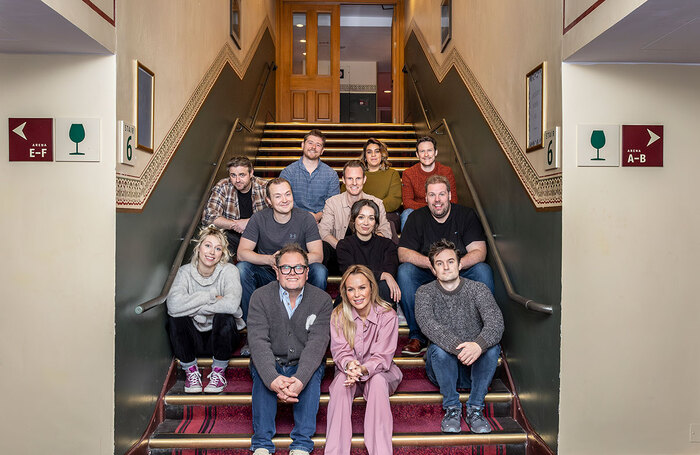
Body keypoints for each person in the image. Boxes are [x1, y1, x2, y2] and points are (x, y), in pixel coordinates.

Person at [247, 244, 332, 455]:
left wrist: (300, 379)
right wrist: (273, 379)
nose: (292, 273)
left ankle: (302, 443)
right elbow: (258, 342)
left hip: (304, 360)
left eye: (298, 268)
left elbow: (317, 344)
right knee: (262, 369)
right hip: (272, 358)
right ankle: (262, 444)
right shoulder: (259, 297)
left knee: (312, 372)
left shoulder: (322, 300)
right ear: (276, 271)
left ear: (307, 272)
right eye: (286, 268)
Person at [397, 175, 494, 356]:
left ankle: (483, 334)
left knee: (483, 270)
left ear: (449, 195)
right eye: (432, 195)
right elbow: (403, 253)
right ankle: (417, 336)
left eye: (441, 194)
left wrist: (457, 266)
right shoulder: (416, 217)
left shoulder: (466, 215)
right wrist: (431, 263)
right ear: (425, 198)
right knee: (405, 272)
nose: (437, 200)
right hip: (430, 271)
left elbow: (480, 251)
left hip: (460, 270)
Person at [415, 239, 503, 434]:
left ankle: (475, 409)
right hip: (443, 370)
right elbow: (428, 324)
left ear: (460, 264)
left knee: (492, 347)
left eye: (450, 261)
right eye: (439, 263)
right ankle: (452, 409)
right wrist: (461, 348)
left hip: (475, 369)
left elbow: (496, 323)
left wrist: (478, 346)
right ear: (433, 269)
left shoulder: (478, 289)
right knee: (437, 349)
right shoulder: (424, 293)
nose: (446, 267)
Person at [325, 265, 402, 455]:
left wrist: (361, 370)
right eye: (351, 289)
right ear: (344, 292)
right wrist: (350, 366)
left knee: (376, 383)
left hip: (381, 372)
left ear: (371, 288)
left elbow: (382, 357)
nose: (357, 294)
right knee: (340, 385)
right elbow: (340, 351)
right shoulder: (338, 315)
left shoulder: (388, 315)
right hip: (348, 372)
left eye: (362, 288)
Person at [166, 225, 244, 394]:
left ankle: (218, 372)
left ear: (222, 253)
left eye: (218, 248)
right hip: (193, 339)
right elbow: (173, 306)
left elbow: (231, 305)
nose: (211, 252)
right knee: (176, 318)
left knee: (224, 316)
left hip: (223, 337)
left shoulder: (229, 271)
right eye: (207, 245)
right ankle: (191, 372)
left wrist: (191, 307)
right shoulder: (184, 272)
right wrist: (211, 296)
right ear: (198, 247)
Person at [237, 177, 327, 321]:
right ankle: (252, 323)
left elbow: (318, 256)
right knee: (242, 269)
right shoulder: (258, 218)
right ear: (268, 201)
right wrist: (269, 259)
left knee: (320, 271)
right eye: (277, 196)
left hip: (298, 273)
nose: (284, 200)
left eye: (287, 194)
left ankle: (311, 321)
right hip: (269, 273)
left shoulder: (306, 218)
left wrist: (290, 262)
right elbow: (242, 253)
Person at [319, 160, 392, 273]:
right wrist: (344, 248)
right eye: (350, 178)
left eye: (358, 178)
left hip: (368, 255)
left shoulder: (376, 202)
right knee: (323, 246)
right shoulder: (332, 202)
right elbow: (323, 231)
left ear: (364, 179)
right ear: (343, 180)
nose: (354, 183)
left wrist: (366, 247)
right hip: (339, 254)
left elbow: (386, 232)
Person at [336, 199, 400, 307]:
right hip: (354, 293)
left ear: (376, 222)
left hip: (380, 292)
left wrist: (385, 275)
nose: (366, 223)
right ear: (353, 220)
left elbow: (390, 271)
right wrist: (382, 274)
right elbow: (350, 272)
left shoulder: (388, 245)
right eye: (361, 217)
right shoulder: (344, 245)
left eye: (371, 218)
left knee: (385, 286)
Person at [202, 156, 268, 258]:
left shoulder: (264, 187)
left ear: (251, 173)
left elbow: (277, 214)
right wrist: (235, 225)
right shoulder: (223, 186)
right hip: (232, 237)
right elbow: (208, 217)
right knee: (218, 238)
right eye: (233, 175)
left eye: (242, 175)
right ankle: (227, 270)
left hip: (260, 237)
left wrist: (250, 222)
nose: (237, 180)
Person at [280, 129, 340, 223]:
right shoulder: (288, 172)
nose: (313, 147)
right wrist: (305, 216)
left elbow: (333, 203)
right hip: (293, 221)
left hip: (322, 222)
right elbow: (284, 201)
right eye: (310, 143)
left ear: (322, 151)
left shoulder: (331, 175)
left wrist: (318, 216)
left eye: (318, 145)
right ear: (302, 145)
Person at [400, 136, 458, 229]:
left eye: (429, 150)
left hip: (441, 209)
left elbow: (453, 200)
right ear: (417, 154)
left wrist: (437, 207)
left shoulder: (446, 171)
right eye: (422, 151)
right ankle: (407, 243)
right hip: (419, 212)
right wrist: (432, 207)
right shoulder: (408, 173)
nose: (426, 154)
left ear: (436, 152)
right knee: (407, 213)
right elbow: (407, 202)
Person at [358, 138, 402, 230]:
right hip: (361, 215)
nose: (373, 155)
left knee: (386, 223)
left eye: (377, 151)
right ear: (365, 156)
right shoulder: (357, 174)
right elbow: (347, 195)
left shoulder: (392, 173)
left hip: (387, 214)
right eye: (369, 152)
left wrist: (371, 211)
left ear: (382, 155)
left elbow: (394, 201)